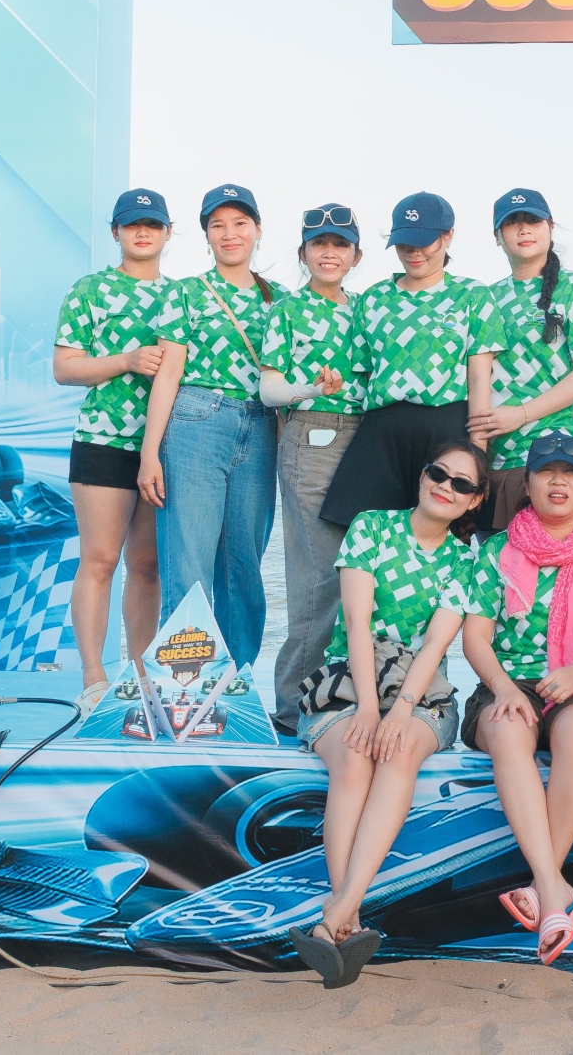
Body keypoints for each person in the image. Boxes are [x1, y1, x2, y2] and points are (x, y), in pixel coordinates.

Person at [286, 439, 486, 989]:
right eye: (439, 473)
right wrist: (371, 709)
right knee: (355, 757)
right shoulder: (372, 527)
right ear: (423, 475)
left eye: (462, 484)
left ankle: (337, 913)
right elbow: (356, 622)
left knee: (396, 755)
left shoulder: (466, 561)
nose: (445, 487)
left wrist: (400, 710)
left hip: (420, 692)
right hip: (349, 681)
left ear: (474, 500)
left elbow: (435, 645)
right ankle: (347, 915)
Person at [457, 434, 573, 964]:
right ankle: (552, 886)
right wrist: (501, 687)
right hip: (509, 679)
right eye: (546, 472)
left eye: (570, 472)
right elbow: (476, 637)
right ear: (528, 483)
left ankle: (544, 887)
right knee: (508, 728)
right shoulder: (497, 549)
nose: (557, 481)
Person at [49, 188, 183, 714]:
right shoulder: (90, 290)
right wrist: (126, 360)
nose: (142, 232)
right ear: (115, 232)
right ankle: (93, 679)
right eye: (131, 224)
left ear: (168, 232)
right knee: (100, 560)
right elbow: (65, 368)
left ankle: (143, 678)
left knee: (147, 565)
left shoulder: (183, 296)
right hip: (103, 440)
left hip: (163, 446)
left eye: (152, 224)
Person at [140, 183, 279, 679]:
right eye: (217, 225)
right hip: (197, 420)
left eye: (239, 223)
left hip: (262, 428)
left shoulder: (280, 300)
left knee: (244, 567)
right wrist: (150, 453)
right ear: (206, 235)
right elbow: (168, 374)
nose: (229, 233)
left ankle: (236, 684)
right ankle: (184, 686)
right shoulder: (186, 292)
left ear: (257, 230)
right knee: (189, 563)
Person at [319, 192, 490, 532]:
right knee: (368, 532)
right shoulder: (374, 298)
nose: (414, 252)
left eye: (424, 242)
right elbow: (363, 372)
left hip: (447, 429)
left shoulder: (472, 295)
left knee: (443, 536)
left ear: (448, 236)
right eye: (405, 243)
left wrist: (478, 454)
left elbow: (479, 379)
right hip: (382, 431)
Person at [260, 204, 366, 737]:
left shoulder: (369, 309)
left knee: (366, 578)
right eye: (319, 244)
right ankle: (292, 708)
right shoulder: (287, 310)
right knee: (319, 580)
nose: (329, 253)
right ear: (303, 253)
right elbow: (268, 389)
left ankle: (355, 694)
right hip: (314, 435)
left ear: (356, 255)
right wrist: (311, 388)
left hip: (369, 442)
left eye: (340, 244)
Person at [468, 187, 573, 532]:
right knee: (495, 559)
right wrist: (476, 453)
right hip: (492, 457)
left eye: (532, 220)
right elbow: (477, 376)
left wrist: (521, 414)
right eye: (512, 223)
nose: (523, 230)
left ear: (550, 227)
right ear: (497, 237)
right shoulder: (486, 296)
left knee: (548, 558)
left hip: (549, 454)